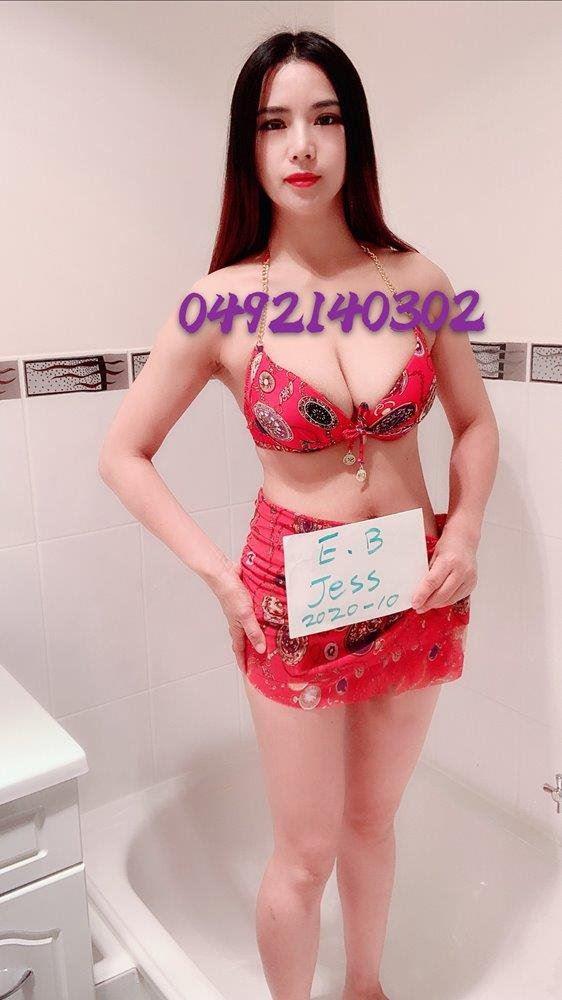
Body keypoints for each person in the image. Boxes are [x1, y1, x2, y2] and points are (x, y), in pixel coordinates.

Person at [98, 29, 499, 1000]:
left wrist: (466, 527)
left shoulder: (417, 282)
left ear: (354, 136)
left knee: (372, 823)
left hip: (416, 577)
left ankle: (365, 986)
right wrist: (222, 578)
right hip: (292, 593)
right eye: (274, 124)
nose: (303, 146)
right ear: (248, 147)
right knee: (306, 850)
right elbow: (122, 453)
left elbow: (475, 423)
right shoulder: (221, 304)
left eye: (325, 118)